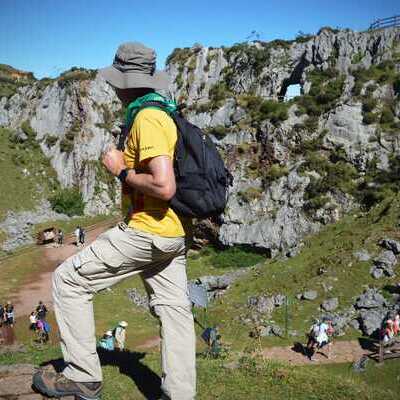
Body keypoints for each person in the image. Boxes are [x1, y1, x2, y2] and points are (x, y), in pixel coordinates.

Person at [33, 42, 196, 400]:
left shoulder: (148, 118)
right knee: (174, 311)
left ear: (124, 82)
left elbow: (163, 186)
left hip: (147, 230)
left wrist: (121, 171)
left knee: (69, 280)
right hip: (173, 234)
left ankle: (83, 375)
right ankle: (181, 394)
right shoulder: (161, 111)